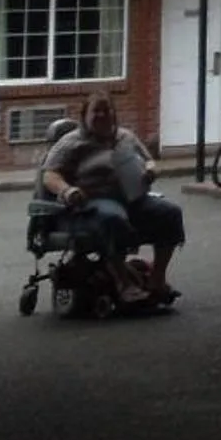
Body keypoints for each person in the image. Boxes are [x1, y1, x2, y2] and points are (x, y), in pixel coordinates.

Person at [41, 92, 184, 304]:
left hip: (132, 197)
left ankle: (157, 279)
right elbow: (49, 175)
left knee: (170, 213)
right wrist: (67, 191)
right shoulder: (71, 142)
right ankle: (123, 284)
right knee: (113, 218)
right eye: (96, 110)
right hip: (91, 201)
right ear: (85, 116)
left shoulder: (125, 137)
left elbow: (148, 160)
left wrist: (150, 170)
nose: (102, 115)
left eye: (106, 110)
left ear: (114, 113)